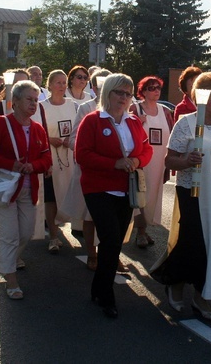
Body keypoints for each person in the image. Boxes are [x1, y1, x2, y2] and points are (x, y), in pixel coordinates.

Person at [150, 72, 211, 321]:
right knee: (194, 244)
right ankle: (175, 283)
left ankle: (202, 297)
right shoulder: (186, 123)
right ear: (200, 96)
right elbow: (170, 159)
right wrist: (187, 161)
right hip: (193, 192)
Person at [75, 73, 153, 318]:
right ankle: (106, 295)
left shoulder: (133, 123)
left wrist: (138, 160)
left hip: (126, 190)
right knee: (109, 239)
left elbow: (147, 149)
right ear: (106, 93)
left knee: (116, 241)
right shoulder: (92, 120)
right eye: (119, 92)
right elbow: (83, 155)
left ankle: (98, 288)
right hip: (98, 189)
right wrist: (115, 163)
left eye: (128, 93)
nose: (124, 97)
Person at [0, 80, 52, 300]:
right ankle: (10, 279)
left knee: (27, 232)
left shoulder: (38, 129)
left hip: (29, 189)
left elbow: (46, 157)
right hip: (4, 191)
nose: (33, 104)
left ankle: (7, 259)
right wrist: (11, 164)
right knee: (9, 236)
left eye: (36, 100)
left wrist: (35, 166)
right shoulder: (0, 124)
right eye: (29, 99)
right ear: (16, 101)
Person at [61, 68, 112, 271]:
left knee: (112, 218)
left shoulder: (124, 108)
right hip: (90, 169)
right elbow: (73, 139)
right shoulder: (86, 108)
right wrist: (92, 151)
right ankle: (92, 254)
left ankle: (111, 254)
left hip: (115, 173)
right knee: (91, 215)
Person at [129, 75, 174, 248]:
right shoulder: (136, 109)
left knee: (153, 196)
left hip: (159, 161)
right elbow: (126, 132)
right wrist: (136, 124)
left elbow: (171, 135)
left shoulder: (164, 111)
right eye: (151, 88)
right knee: (140, 195)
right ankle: (140, 232)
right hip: (142, 161)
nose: (155, 91)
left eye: (158, 88)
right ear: (143, 91)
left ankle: (144, 229)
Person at [40, 70, 78, 253]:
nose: (62, 86)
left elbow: (77, 130)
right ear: (50, 85)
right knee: (51, 198)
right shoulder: (42, 107)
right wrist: (49, 140)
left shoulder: (73, 105)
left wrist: (70, 141)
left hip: (69, 156)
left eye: (64, 82)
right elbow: (36, 134)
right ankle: (53, 236)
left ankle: (74, 228)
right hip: (50, 157)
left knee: (70, 193)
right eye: (58, 82)